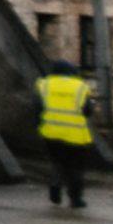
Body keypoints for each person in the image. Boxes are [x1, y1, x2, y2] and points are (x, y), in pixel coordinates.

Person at [36, 59, 95, 209]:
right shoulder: (80, 87)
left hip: (51, 134)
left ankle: (55, 187)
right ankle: (75, 199)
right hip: (75, 136)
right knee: (75, 168)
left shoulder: (44, 85)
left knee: (57, 163)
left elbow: (37, 109)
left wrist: (39, 126)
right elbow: (88, 111)